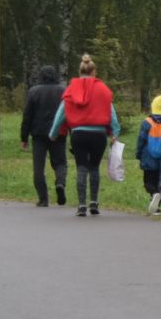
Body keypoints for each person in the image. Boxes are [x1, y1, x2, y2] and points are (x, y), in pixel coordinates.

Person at [50, 56, 118, 217]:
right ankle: (93, 203)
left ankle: (81, 206)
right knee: (94, 167)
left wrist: (53, 133)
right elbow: (111, 112)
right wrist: (114, 132)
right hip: (98, 134)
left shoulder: (71, 90)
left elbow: (61, 112)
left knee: (81, 167)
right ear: (94, 72)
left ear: (79, 72)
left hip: (79, 134)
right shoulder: (102, 89)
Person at [19, 65, 68, 207]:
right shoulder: (62, 91)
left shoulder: (34, 91)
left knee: (38, 167)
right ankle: (60, 182)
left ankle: (43, 199)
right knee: (60, 162)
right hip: (58, 132)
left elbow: (27, 115)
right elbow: (67, 112)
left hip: (38, 133)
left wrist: (24, 137)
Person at [134, 94, 161, 215]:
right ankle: (158, 206)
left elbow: (141, 140)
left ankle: (154, 195)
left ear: (153, 107)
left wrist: (138, 154)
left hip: (149, 158)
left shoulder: (147, 122)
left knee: (148, 182)